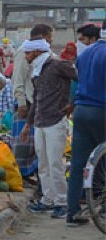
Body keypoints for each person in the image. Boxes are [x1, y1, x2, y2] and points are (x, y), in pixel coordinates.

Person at [20, 39, 78, 219]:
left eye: (28, 53)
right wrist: (28, 124)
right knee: (43, 164)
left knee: (55, 163)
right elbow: (36, 99)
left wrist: (73, 104)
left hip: (55, 120)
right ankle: (48, 200)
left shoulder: (58, 65)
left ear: (37, 52)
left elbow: (83, 80)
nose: (26, 56)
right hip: (39, 122)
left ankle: (61, 202)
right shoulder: (37, 70)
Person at [66, 22, 105, 226]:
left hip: (81, 111)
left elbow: (77, 82)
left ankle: (72, 213)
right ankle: (104, 209)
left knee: (78, 164)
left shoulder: (86, 54)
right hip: (102, 111)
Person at [12, 24, 53, 180]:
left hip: (37, 103)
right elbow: (18, 79)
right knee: (22, 144)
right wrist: (21, 102)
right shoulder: (23, 53)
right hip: (26, 102)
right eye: (49, 37)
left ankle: (30, 173)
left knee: (34, 143)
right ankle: (20, 174)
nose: (50, 41)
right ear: (41, 37)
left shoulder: (45, 55)